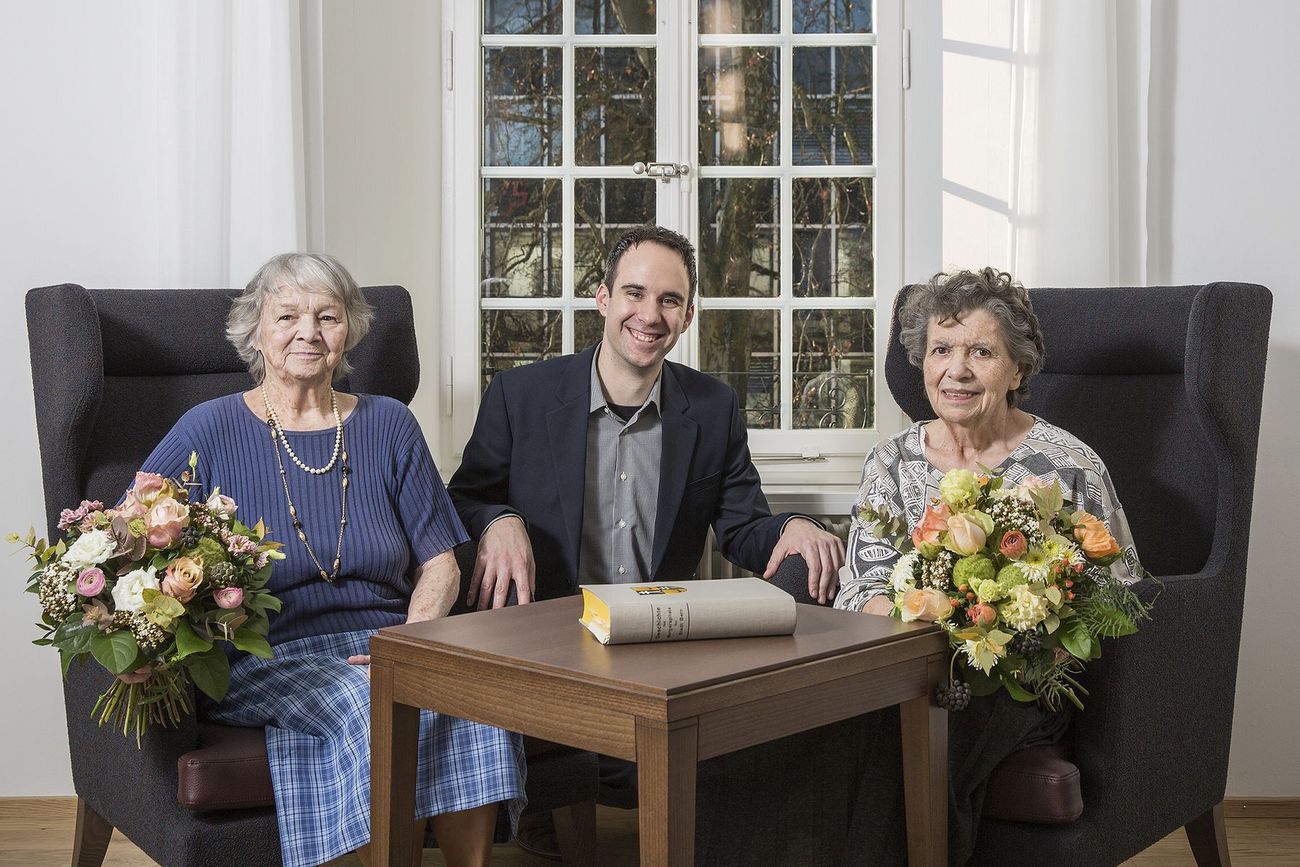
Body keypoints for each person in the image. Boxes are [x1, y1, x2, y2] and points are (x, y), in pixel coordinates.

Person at [447, 224, 845, 858]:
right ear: (602, 298)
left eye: (669, 300)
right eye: (635, 293)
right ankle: (554, 807)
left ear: (688, 315)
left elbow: (742, 527)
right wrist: (498, 520)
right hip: (548, 640)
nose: (649, 314)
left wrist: (794, 526)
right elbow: (461, 500)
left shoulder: (712, 407)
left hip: (660, 640)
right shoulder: (520, 396)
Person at [135, 253, 525, 867]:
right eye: (287, 315)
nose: (307, 332)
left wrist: (410, 644)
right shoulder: (206, 431)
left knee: (464, 687)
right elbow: (131, 539)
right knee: (373, 697)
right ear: (255, 331)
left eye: (327, 316)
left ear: (350, 331)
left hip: (389, 639)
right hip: (265, 653)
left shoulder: (389, 425)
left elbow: (441, 563)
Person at [832, 267, 1143, 865]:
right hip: (904, 676)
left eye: (981, 351)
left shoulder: (1068, 464)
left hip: (1019, 690)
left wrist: (1032, 630)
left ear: (1017, 369)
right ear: (922, 363)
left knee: (939, 732)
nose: (957, 370)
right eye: (941, 350)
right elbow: (858, 592)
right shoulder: (890, 464)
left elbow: (1120, 594)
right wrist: (925, 621)